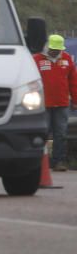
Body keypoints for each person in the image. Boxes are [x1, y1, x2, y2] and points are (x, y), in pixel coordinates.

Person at [33, 34, 77, 172]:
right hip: (43, 105)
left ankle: (59, 161)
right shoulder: (36, 59)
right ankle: (39, 163)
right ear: (48, 46)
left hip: (62, 104)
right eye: (54, 49)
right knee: (43, 133)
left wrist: (75, 100)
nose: (56, 52)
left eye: (59, 50)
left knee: (61, 134)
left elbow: (73, 82)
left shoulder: (67, 59)